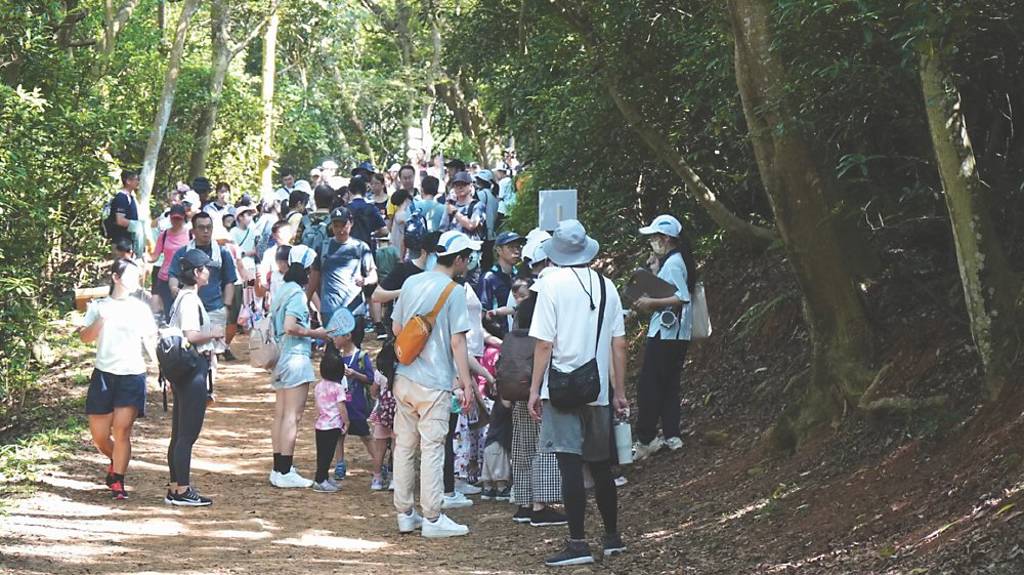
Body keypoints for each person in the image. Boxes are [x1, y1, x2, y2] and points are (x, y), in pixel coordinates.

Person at [527, 220, 629, 566]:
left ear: (556, 252)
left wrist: (534, 389)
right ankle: (612, 538)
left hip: (560, 390)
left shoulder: (550, 285)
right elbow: (619, 344)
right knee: (601, 466)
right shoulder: (606, 286)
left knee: (569, 465)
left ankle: (577, 543)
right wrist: (619, 390)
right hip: (597, 390)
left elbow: (544, 344)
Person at [390, 231, 479, 538]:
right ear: (458, 260)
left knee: (404, 446)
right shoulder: (454, 292)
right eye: (467, 258)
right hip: (435, 382)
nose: (468, 263)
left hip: (404, 375)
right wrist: (466, 383)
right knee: (432, 449)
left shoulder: (412, 282)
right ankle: (432, 516)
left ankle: (405, 514)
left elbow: (397, 327)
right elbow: (457, 341)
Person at [78, 259, 157, 501]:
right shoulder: (99, 306)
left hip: (132, 374)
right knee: (100, 436)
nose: (135, 280)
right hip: (104, 374)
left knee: (122, 431)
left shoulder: (140, 308)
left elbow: (150, 339)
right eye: (130, 275)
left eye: (137, 276)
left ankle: (118, 480)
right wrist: (102, 319)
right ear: (116, 277)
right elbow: (84, 337)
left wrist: (160, 366)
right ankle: (115, 460)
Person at [632, 215, 696, 460]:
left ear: (667, 238)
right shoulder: (675, 261)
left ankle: (646, 438)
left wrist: (651, 302)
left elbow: (681, 297)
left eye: (655, 237)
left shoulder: (675, 263)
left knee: (649, 386)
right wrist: (654, 272)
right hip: (678, 334)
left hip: (666, 333)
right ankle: (672, 433)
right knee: (669, 384)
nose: (652, 241)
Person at [269, 245, 330, 488]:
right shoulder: (296, 294)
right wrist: (317, 333)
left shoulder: (283, 289)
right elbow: (290, 326)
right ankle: (285, 470)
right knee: (292, 415)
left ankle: (279, 467)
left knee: (281, 413)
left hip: (281, 358)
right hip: (295, 357)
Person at [165, 249, 222, 506]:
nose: (208, 271)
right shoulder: (189, 300)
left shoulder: (181, 298)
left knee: (179, 433)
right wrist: (214, 333)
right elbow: (191, 335)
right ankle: (182, 490)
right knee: (187, 434)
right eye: (205, 268)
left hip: (183, 370)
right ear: (197, 273)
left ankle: (176, 486)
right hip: (192, 370)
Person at [167, 212, 237, 360]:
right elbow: (173, 274)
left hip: (215, 308)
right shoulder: (183, 253)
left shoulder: (222, 253)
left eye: (209, 227)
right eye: (201, 227)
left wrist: (226, 306)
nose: (206, 231)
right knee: (191, 350)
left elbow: (229, 281)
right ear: (193, 230)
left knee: (213, 355)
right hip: (191, 308)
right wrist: (174, 289)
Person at [309, 207, 377, 348]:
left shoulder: (361, 247)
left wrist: (365, 281)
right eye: (336, 225)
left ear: (351, 224)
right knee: (332, 350)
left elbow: (373, 275)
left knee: (354, 349)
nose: (340, 230)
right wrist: (306, 300)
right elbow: (314, 278)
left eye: (343, 225)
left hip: (354, 308)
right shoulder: (323, 247)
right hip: (330, 310)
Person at [324, 307, 377, 484]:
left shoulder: (361, 356)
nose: (334, 340)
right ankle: (340, 463)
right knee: (339, 435)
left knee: (366, 435)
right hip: (341, 406)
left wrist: (355, 374)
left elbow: (370, 378)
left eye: (336, 336)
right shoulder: (336, 357)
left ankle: (378, 463)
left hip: (357, 405)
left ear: (347, 336)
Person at [313, 309, 356, 493]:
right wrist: (346, 422)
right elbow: (341, 407)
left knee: (321, 453)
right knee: (328, 454)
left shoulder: (319, 386)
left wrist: (318, 417)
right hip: (332, 426)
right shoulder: (338, 388)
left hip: (320, 425)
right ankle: (320, 480)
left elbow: (317, 406)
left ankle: (323, 477)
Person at [151, 204, 191, 321]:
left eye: (179, 218)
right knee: (169, 312)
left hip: (184, 278)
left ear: (183, 218)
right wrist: (144, 258)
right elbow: (155, 256)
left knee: (184, 312)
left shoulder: (190, 234)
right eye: (174, 218)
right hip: (165, 277)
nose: (176, 221)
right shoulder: (163, 235)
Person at [479, 231, 523, 335]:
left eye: (518, 247)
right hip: (498, 338)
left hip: (519, 335)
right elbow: (483, 314)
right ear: (499, 250)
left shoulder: (520, 276)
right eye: (511, 247)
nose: (516, 251)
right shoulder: (488, 278)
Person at [480, 398, 513, 501]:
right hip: (498, 442)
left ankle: (487, 489)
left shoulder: (496, 408)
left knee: (488, 470)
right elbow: (506, 402)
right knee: (500, 467)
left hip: (490, 443)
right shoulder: (503, 404)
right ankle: (501, 489)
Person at [256, 219, 292, 307]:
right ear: (274, 235)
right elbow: (263, 277)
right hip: (275, 297)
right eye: (281, 232)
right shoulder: (269, 253)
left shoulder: (296, 251)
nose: (284, 235)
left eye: (287, 232)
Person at [346, 176, 388, 250]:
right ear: (365, 191)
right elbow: (384, 231)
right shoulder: (371, 208)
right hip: (368, 247)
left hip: (350, 248)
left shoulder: (345, 209)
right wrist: (374, 234)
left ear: (350, 191)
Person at [440, 171, 484, 240]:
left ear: (470, 186)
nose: (459, 187)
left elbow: (471, 225)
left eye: (463, 184)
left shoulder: (477, 205)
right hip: (452, 244)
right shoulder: (451, 206)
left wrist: (455, 213)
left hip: (470, 245)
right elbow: (442, 229)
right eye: (456, 185)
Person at [106, 170, 141, 253]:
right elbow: (120, 221)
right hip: (120, 242)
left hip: (128, 241)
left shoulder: (130, 197)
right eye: (136, 179)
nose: (138, 182)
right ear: (128, 181)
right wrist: (138, 225)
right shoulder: (121, 198)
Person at [473, 170, 501, 270]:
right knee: (488, 259)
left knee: (482, 261)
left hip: (483, 232)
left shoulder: (482, 194)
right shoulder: (494, 195)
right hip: (491, 232)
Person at [494, 162, 515, 229]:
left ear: (501, 172)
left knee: (497, 227)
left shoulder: (502, 182)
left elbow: (500, 196)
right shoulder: (510, 180)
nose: (496, 174)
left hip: (502, 208)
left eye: (497, 172)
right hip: (511, 206)